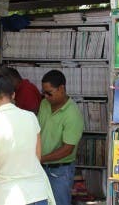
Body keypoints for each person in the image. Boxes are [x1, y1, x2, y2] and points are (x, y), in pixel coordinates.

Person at [0, 74, 55, 205]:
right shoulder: (31, 118)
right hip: (38, 194)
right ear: (13, 95)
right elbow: (37, 157)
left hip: (7, 196)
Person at [38, 69, 84, 205]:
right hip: (40, 167)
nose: (45, 96)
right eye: (43, 92)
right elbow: (37, 131)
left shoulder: (72, 114)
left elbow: (67, 149)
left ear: (62, 89)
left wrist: (40, 158)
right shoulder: (44, 104)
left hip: (60, 171)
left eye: (49, 93)